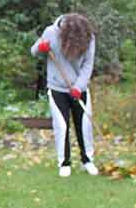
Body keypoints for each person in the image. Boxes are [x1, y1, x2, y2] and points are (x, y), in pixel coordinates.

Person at [31, 13, 98, 178]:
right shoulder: (51, 32)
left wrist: (79, 86)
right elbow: (34, 51)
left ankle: (87, 160)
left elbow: (88, 65)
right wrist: (41, 48)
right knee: (61, 126)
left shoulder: (89, 38)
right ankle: (64, 163)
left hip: (79, 89)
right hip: (57, 88)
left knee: (84, 126)